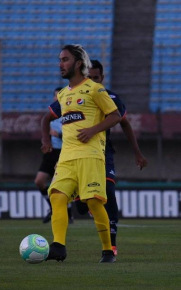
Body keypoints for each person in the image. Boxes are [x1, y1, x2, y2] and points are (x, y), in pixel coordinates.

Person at [41, 44, 121, 263]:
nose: (60, 64)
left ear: (78, 63)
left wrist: (93, 130)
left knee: (94, 202)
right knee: (56, 195)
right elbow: (45, 118)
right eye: (59, 59)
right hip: (66, 158)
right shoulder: (64, 94)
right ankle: (58, 246)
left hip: (91, 156)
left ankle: (107, 250)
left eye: (65, 59)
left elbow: (115, 116)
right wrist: (46, 140)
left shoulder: (95, 89)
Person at [75, 59, 148, 256]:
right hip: (78, 154)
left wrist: (137, 152)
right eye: (88, 77)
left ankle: (112, 246)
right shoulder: (75, 96)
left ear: (102, 78)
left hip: (103, 152)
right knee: (80, 207)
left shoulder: (111, 98)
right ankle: (87, 205)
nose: (92, 81)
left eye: (95, 78)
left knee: (109, 191)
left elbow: (124, 124)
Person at [34, 87, 72, 224]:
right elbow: (45, 129)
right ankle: (52, 208)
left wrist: (59, 134)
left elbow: (74, 133)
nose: (57, 98)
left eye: (59, 96)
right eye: (55, 96)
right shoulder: (51, 114)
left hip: (64, 152)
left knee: (61, 185)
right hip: (51, 152)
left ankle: (67, 213)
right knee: (39, 181)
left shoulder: (69, 112)